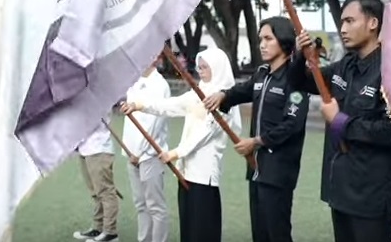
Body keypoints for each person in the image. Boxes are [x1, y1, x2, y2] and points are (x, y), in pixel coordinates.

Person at [290, 0, 391, 242]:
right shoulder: (346, 65)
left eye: (350, 21)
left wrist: (341, 122)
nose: (342, 29)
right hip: (339, 190)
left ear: (373, 23)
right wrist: (300, 56)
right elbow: (301, 81)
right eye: (342, 22)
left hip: (369, 197)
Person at [202, 16, 310, 242]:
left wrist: (256, 141)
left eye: (268, 38)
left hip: (279, 170)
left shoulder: (296, 79)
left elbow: (292, 125)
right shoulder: (262, 73)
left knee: (277, 233)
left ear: (283, 40)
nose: (262, 44)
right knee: (260, 234)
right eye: (260, 38)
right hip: (256, 167)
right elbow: (242, 91)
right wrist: (223, 95)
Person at [121, 47, 243, 242]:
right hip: (186, 171)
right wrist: (140, 105)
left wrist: (176, 153)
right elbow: (170, 105)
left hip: (204, 175)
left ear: (218, 68)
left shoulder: (224, 99)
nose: (201, 71)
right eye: (199, 67)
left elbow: (206, 133)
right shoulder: (198, 93)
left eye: (205, 67)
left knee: (202, 229)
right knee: (188, 226)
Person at [121, 62, 171, 242]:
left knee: (155, 206)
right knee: (140, 205)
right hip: (131, 153)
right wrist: (129, 151)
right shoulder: (133, 81)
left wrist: (139, 152)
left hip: (150, 154)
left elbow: (154, 123)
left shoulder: (160, 85)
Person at [73, 113, 120, 242]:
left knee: (105, 192)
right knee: (96, 193)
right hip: (85, 148)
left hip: (99, 147)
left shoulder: (98, 95)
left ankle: (110, 233)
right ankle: (98, 228)